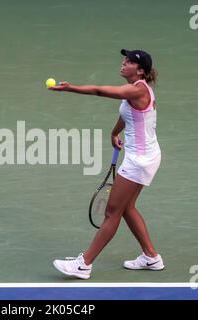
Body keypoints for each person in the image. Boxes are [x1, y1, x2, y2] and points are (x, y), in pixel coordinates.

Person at [49, 49, 163, 279]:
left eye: (130, 61)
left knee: (112, 212)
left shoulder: (137, 89)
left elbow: (100, 91)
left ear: (140, 70)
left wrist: (71, 88)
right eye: (125, 59)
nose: (124, 63)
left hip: (139, 161)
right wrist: (114, 132)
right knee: (127, 208)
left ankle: (84, 264)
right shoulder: (136, 92)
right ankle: (151, 257)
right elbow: (126, 114)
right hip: (145, 157)